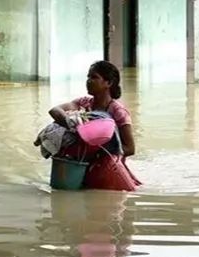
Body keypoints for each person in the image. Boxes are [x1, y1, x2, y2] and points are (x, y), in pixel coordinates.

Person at [49, 61, 141, 191]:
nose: (88, 81)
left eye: (94, 77)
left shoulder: (118, 112)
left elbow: (130, 148)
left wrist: (98, 148)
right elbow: (55, 110)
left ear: (108, 83)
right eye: (88, 77)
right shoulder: (83, 103)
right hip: (80, 166)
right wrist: (70, 123)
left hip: (108, 169)